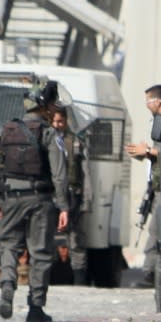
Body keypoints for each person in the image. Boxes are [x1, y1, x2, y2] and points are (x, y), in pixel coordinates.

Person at [0, 78, 69, 322]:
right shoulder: (49, 134)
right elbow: (59, 175)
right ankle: (35, 307)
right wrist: (64, 206)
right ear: (45, 106)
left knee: (9, 245)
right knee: (40, 253)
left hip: (11, 198)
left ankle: (8, 284)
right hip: (40, 201)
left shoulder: (7, 131)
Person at [124, 84, 161, 288]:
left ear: (158, 101)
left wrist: (149, 151)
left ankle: (151, 272)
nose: (146, 105)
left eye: (148, 101)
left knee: (156, 230)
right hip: (157, 184)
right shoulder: (159, 122)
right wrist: (144, 154)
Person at [51, 107, 93, 285]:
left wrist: (87, 199)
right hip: (52, 195)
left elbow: (84, 171)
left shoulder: (74, 141)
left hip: (73, 195)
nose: (56, 125)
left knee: (76, 239)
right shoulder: (48, 140)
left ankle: (79, 280)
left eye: (60, 121)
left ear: (66, 121)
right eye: (54, 121)